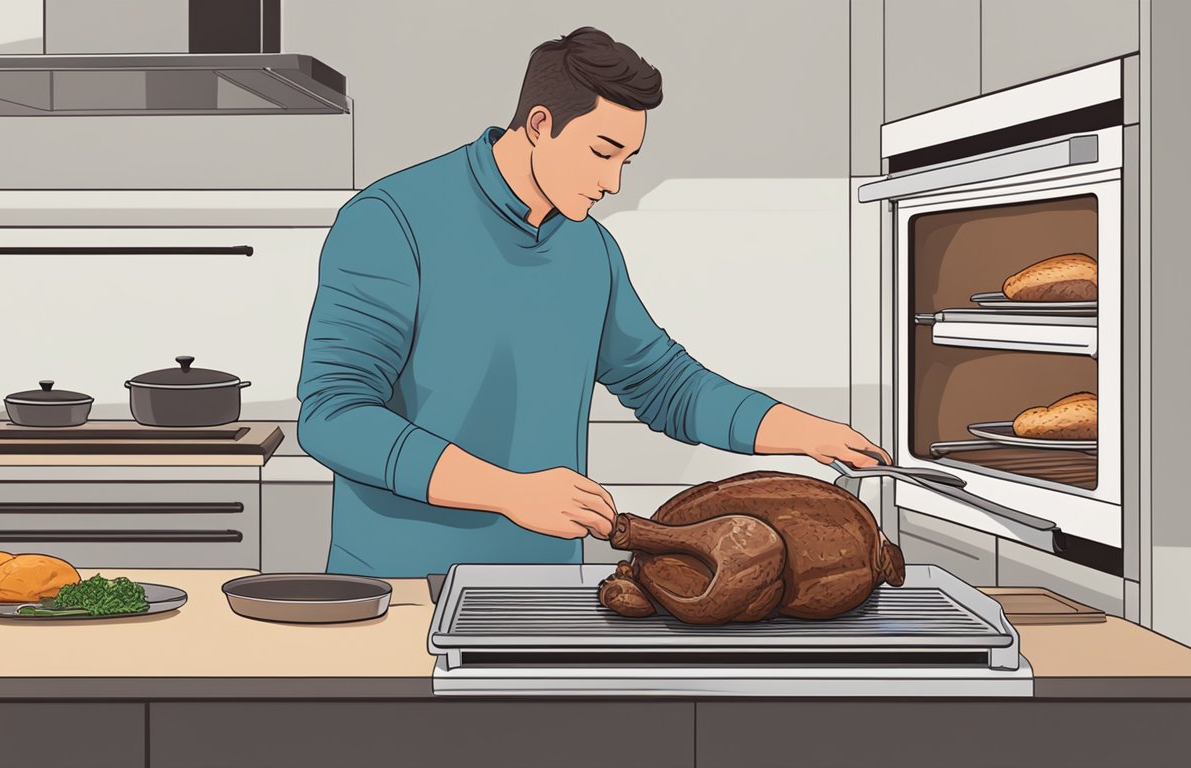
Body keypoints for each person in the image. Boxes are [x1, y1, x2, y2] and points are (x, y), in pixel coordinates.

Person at [296, 26, 891, 577]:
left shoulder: (589, 249)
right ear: (538, 124)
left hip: (548, 585)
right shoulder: (390, 222)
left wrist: (806, 432)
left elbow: (665, 385)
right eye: (601, 152)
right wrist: (510, 491)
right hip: (397, 583)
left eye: (626, 160)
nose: (613, 182)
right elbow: (335, 415)